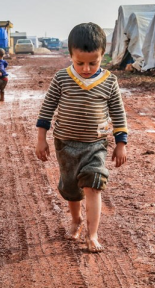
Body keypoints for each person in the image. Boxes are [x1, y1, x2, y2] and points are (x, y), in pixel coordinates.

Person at [35, 22, 128, 253]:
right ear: (71, 56)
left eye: (93, 62)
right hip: (65, 144)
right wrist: (41, 138)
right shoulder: (61, 79)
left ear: (102, 56)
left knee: (94, 185)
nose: (86, 68)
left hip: (96, 145)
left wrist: (121, 144)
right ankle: (76, 220)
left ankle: (92, 234)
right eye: (80, 63)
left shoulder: (109, 82)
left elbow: (118, 113)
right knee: (72, 189)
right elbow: (47, 109)